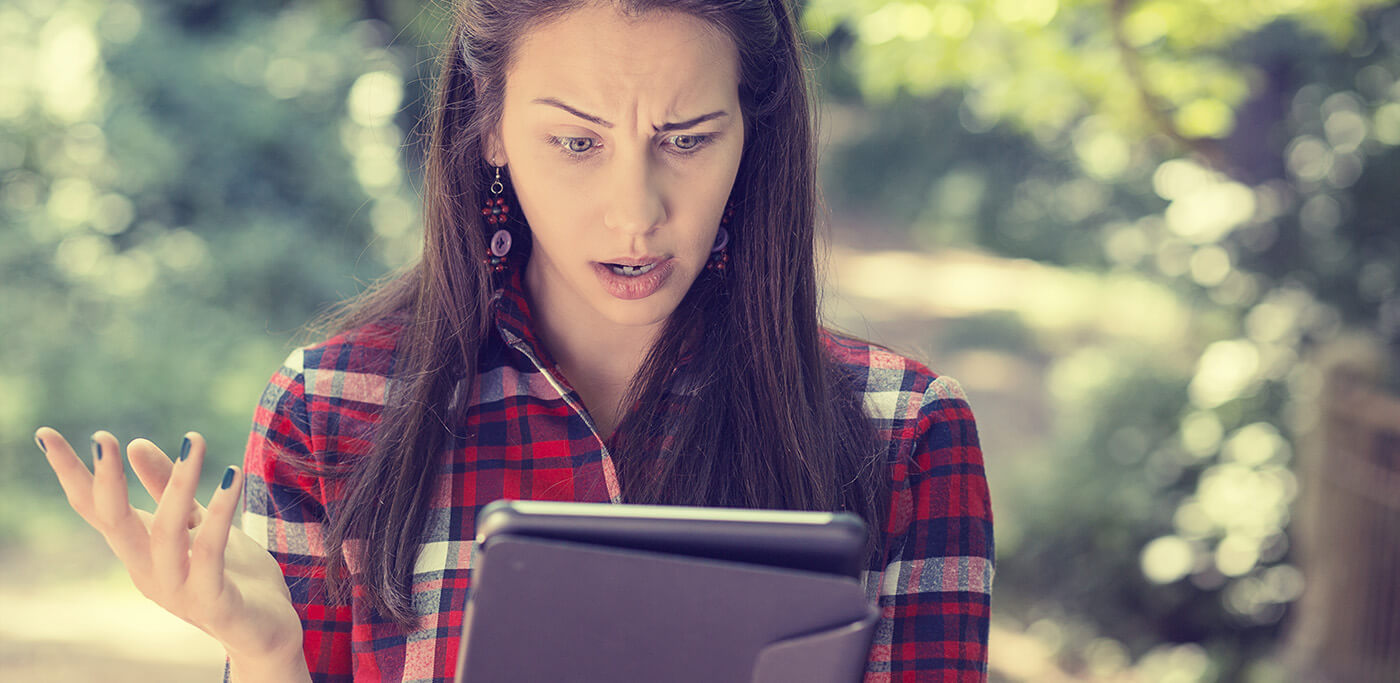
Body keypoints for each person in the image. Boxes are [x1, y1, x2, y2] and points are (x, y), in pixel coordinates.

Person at [34, 0, 995, 680]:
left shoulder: (905, 433)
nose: (636, 213)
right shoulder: (333, 408)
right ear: (490, 127)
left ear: (754, 129)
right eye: (577, 144)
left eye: (689, 138)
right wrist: (269, 653)